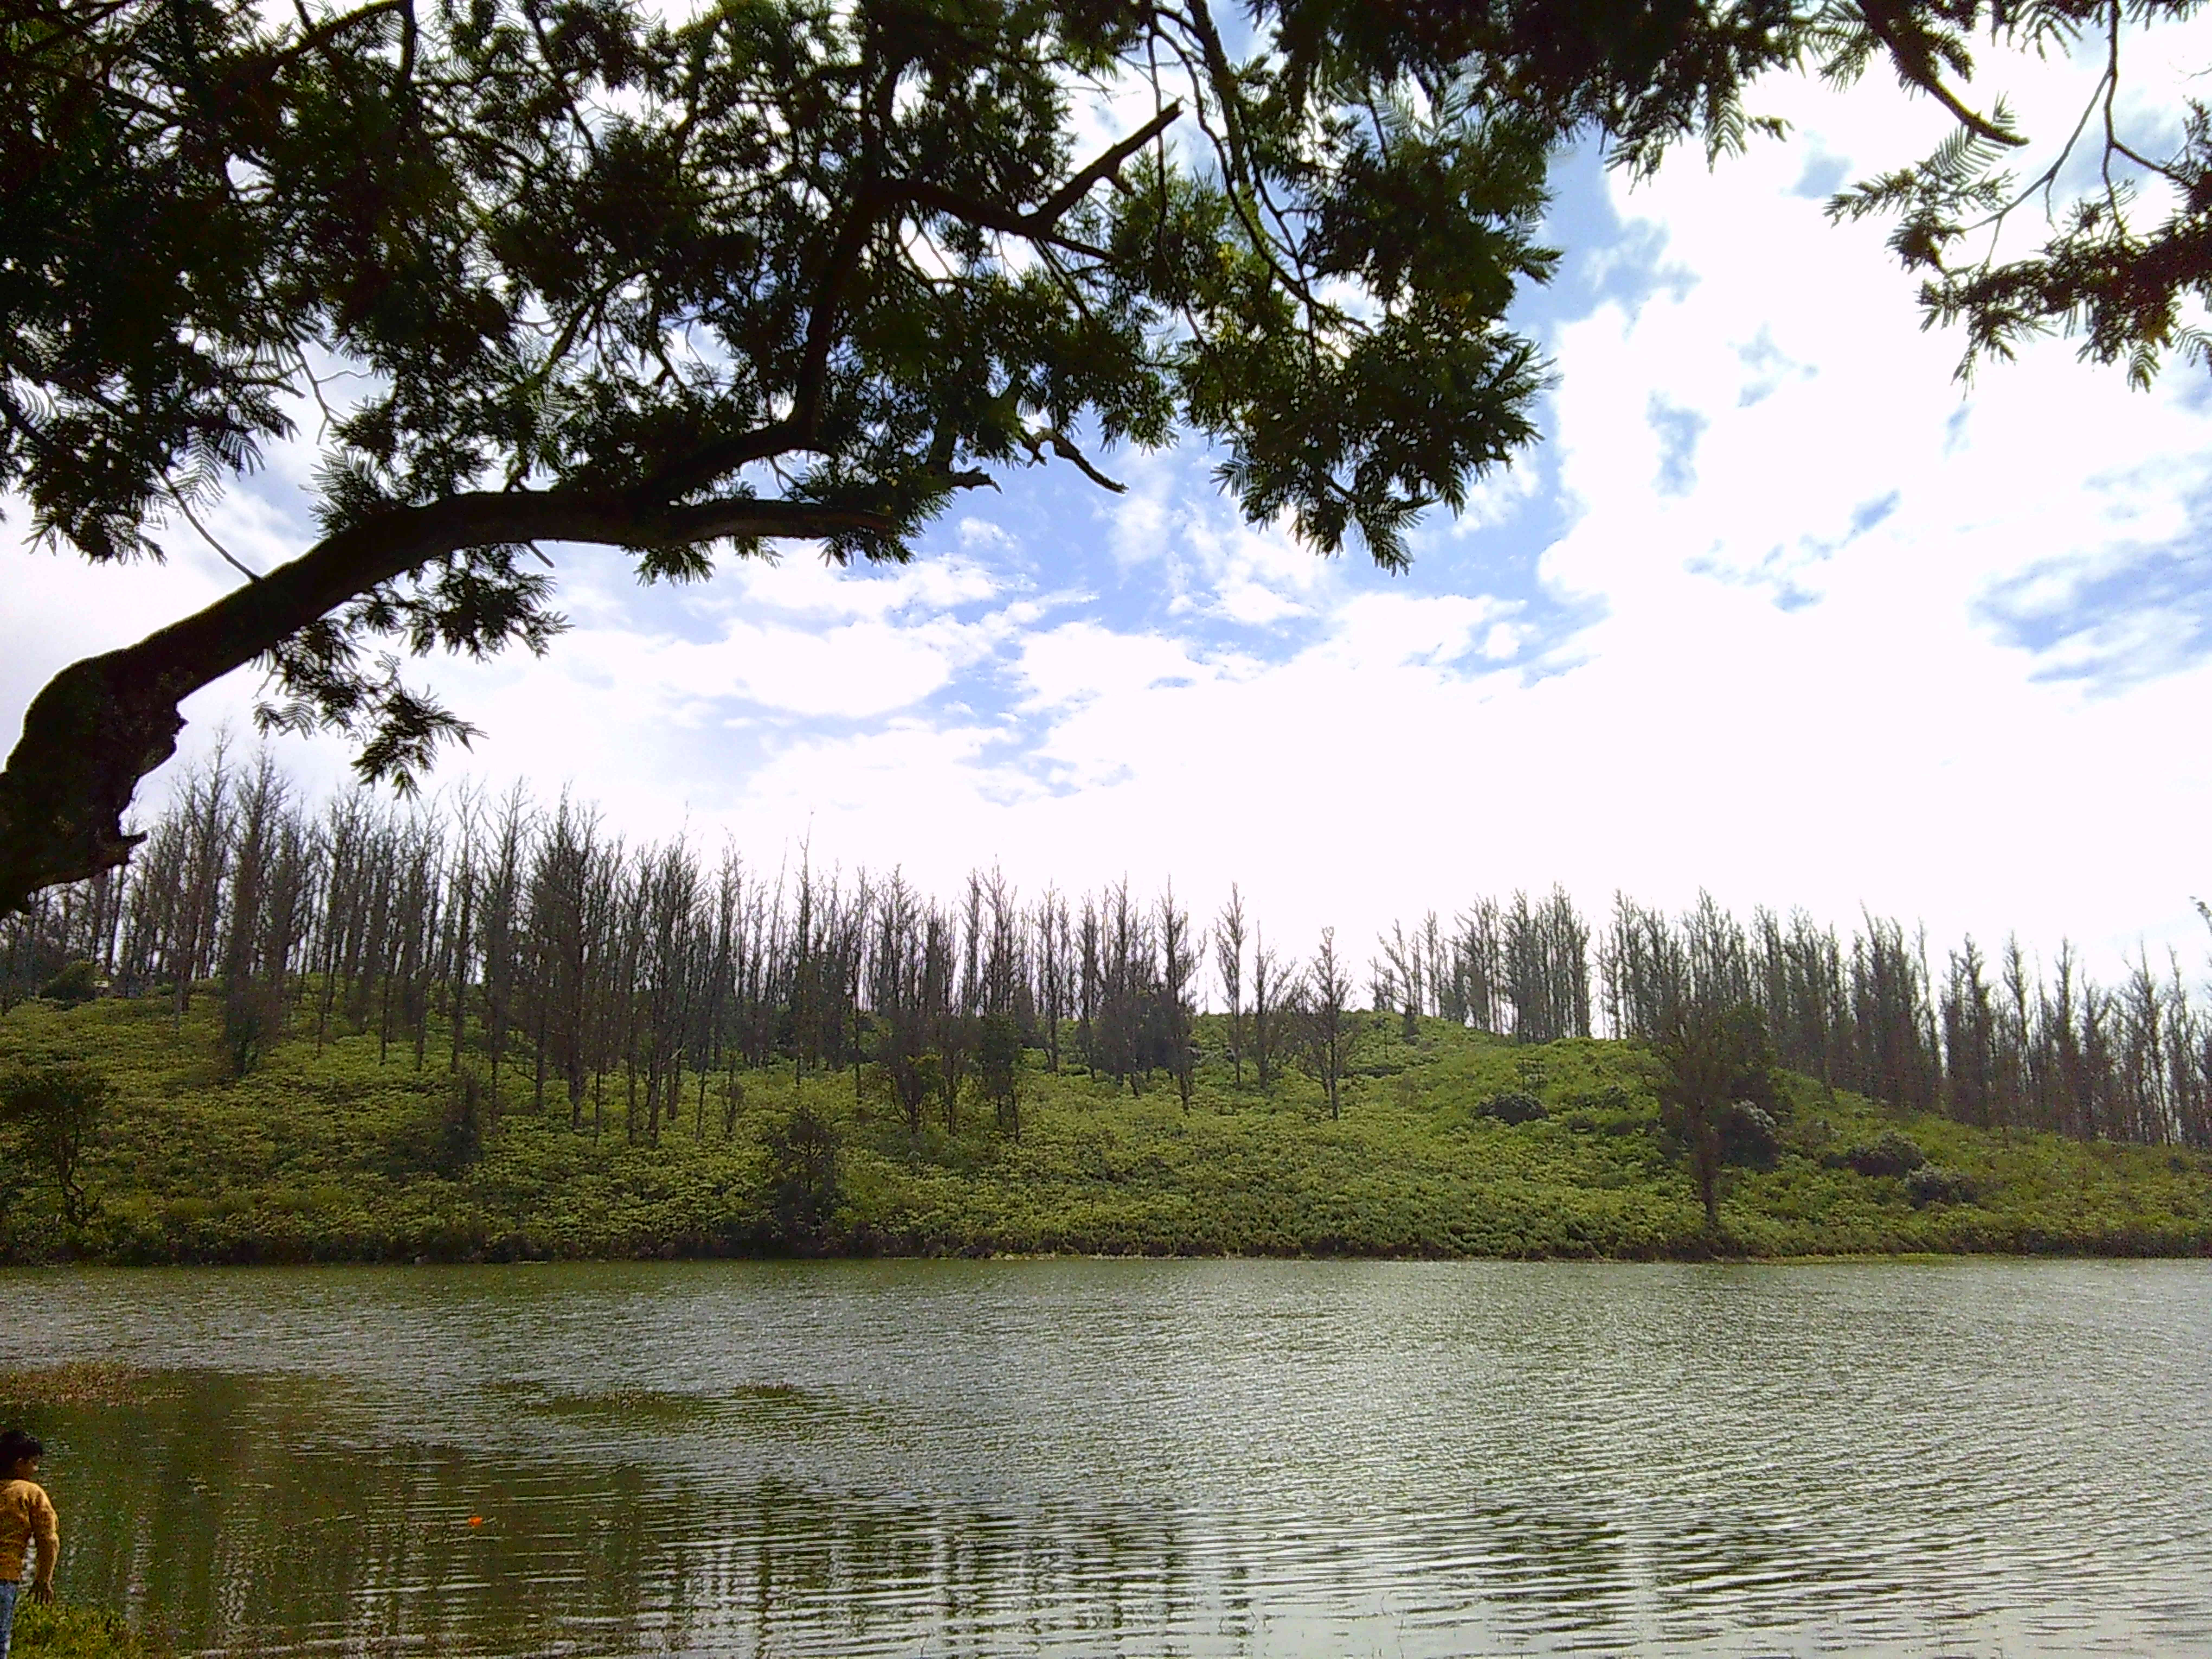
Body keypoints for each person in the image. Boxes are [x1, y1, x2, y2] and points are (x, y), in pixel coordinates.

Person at [0, 1430, 57, 1659]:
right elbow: (48, 1540)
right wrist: (43, 1580)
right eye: (33, 1463)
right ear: (19, 1463)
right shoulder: (29, 1493)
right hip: (4, 1576)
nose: (36, 1470)